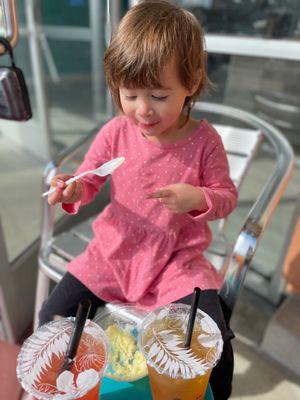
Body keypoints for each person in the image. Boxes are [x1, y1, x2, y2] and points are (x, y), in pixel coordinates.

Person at [39, 1, 238, 398]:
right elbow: (89, 179)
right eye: (129, 94)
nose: (142, 110)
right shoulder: (117, 131)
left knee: (211, 338)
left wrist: (198, 196)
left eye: (159, 95)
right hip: (114, 252)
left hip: (175, 259)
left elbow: (226, 198)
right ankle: (74, 387)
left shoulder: (204, 142)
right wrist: (74, 188)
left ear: (192, 83)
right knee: (53, 315)